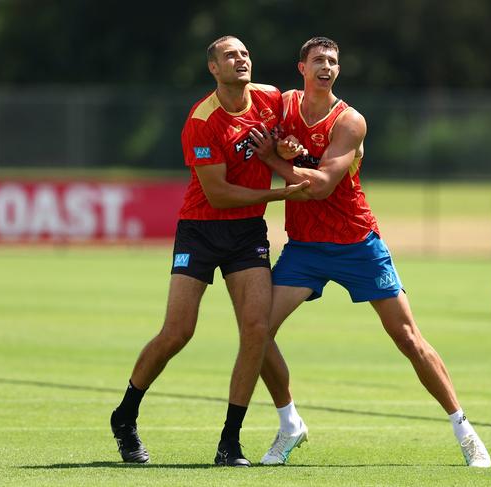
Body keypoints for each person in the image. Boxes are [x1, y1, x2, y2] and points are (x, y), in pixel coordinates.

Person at [248, 37, 491, 468]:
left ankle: (465, 430)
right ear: (301, 67)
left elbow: (320, 186)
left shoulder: (349, 121)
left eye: (334, 61)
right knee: (257, 332)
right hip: (305, 248)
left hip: (357, 243)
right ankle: (290, 426)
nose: (327, 67)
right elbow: (244, 103)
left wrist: (274, 160)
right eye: (319, 60)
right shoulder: (283, 105)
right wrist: (279, 148)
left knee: (408, 338)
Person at [109, 35, 308, 468]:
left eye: (245, 53)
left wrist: (288, 151)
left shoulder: (270, 99)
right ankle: (125, 416)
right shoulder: (203, 120)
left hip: (247, 233)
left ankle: (229, 442)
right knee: (178, 332)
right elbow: (217, 195)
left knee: (255, 330)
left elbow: (288, 141)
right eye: (230, 55)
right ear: (213, 69)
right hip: (200, 230)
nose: (241, 59)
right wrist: (284, 194)